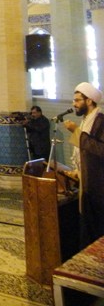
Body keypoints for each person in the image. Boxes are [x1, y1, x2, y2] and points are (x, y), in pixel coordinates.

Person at [64, 82, 104, 247]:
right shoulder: (86, 120)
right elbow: (84, 151)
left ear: (89, 101)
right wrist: (77, 171)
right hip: (87, 180)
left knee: (96, 225)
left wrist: (76, 132)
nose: (74, 104)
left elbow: (100, 149)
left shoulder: (100, 121)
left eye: (77, 100)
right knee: (87, 223)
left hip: (98, 185)